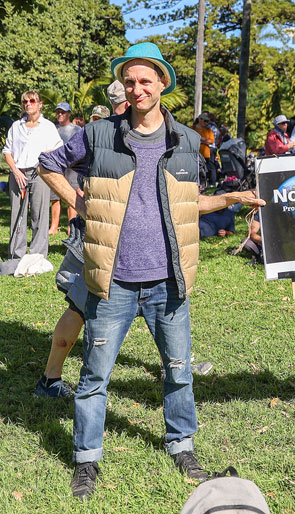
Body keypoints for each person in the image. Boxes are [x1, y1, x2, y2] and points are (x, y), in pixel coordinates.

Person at [37, 41, 265, 499]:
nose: (136, 89)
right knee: (95, 377)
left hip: (167, 281)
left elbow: (189, 203)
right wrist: (77, 201)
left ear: (163, 83)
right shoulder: (100, 133)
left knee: (178, 370)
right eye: (130, 81)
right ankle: (86, 461)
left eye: (145, 80)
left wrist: (228, 199)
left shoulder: (185, 140)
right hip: (112, 280)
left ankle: (182, 445)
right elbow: (48, 163)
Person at [2, 90, 63, 260]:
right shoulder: (16, 126)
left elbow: (58, 147)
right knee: (17, 215)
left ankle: (37, 256)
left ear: (40, 104)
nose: (28, 104)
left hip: (39, 174)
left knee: (40, 215)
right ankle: (16, 254)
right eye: (25, 102)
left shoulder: (48, 127)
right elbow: (7, 151)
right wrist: (16, 172)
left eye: (32, 101)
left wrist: (43, 159)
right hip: (18, 174)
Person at [50, 102, 82, 234]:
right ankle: (54, 226)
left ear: (69, 114)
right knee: (54, 197)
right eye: (58, 112)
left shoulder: (76, 129)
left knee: (71, 196)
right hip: (56, 166)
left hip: (72, 167)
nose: (60, 114)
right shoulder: (53, 129)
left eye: (63, 112)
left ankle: (71, 226)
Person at [194, 112, 217, 186]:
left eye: (207, 121)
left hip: (206, 154)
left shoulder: (208, 130)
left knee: (207, 170)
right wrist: (204, 140)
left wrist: (201, 139)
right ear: (200, 120)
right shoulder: (192, 128)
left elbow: (211, 141)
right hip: (195, 153)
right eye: (205, 121)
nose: (206, 123)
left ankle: (207, 185)